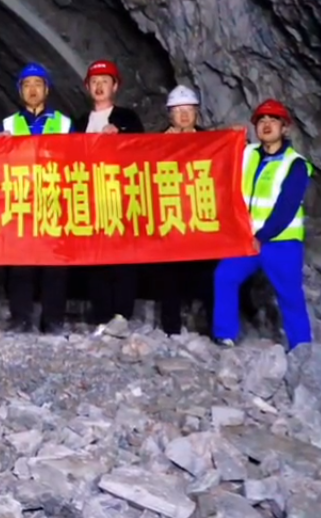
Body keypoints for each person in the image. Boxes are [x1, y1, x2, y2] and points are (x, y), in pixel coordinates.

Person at [212, 99, 314, 351]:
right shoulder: (247, 155)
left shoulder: (295, 164)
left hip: (281, 243)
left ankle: (301, 349)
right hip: (247, 240)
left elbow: (287, 207)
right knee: (225, 276)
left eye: (273, 120)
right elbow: (216, 160)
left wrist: (263, 235)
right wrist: (231, 138)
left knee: (290, 296)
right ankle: (225, 335)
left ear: (285, 128)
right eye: (261, 121)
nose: (267, 125)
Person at [0, 63, 72, 334]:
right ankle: (21, 317)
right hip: (20, 201)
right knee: (20, 263)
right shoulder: (8, 124)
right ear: (20, 91)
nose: (32, 90)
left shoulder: (63, 123)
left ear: (47, 90)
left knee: (54, 265)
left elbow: (77, 159)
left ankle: (52, 319)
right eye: (27, 85)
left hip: (53, 198)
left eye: (37, 84)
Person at [72, 60, 145, 327]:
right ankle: (101, 312)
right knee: (95, 256)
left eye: (105, 81)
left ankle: (122, 313)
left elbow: (143, 148)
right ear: (87, 87)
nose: (99, 86)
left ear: (115, 86)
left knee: (123, 256)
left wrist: (121, 135)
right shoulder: (80, 122)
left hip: (120, 195)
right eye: (94, 81)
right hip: (89, 196)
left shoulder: (128, 118)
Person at [154, 85, 217, 335]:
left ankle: (213, 329)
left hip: (201, 217)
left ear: (197, 113)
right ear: (169, 115)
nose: (183, 116)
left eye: (188, 110)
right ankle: (171, 329)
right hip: (172, 218)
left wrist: (236, 139)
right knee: (169, 276)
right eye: (177, 111)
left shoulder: (212, 143)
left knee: (208, 276)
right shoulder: (156, 144)